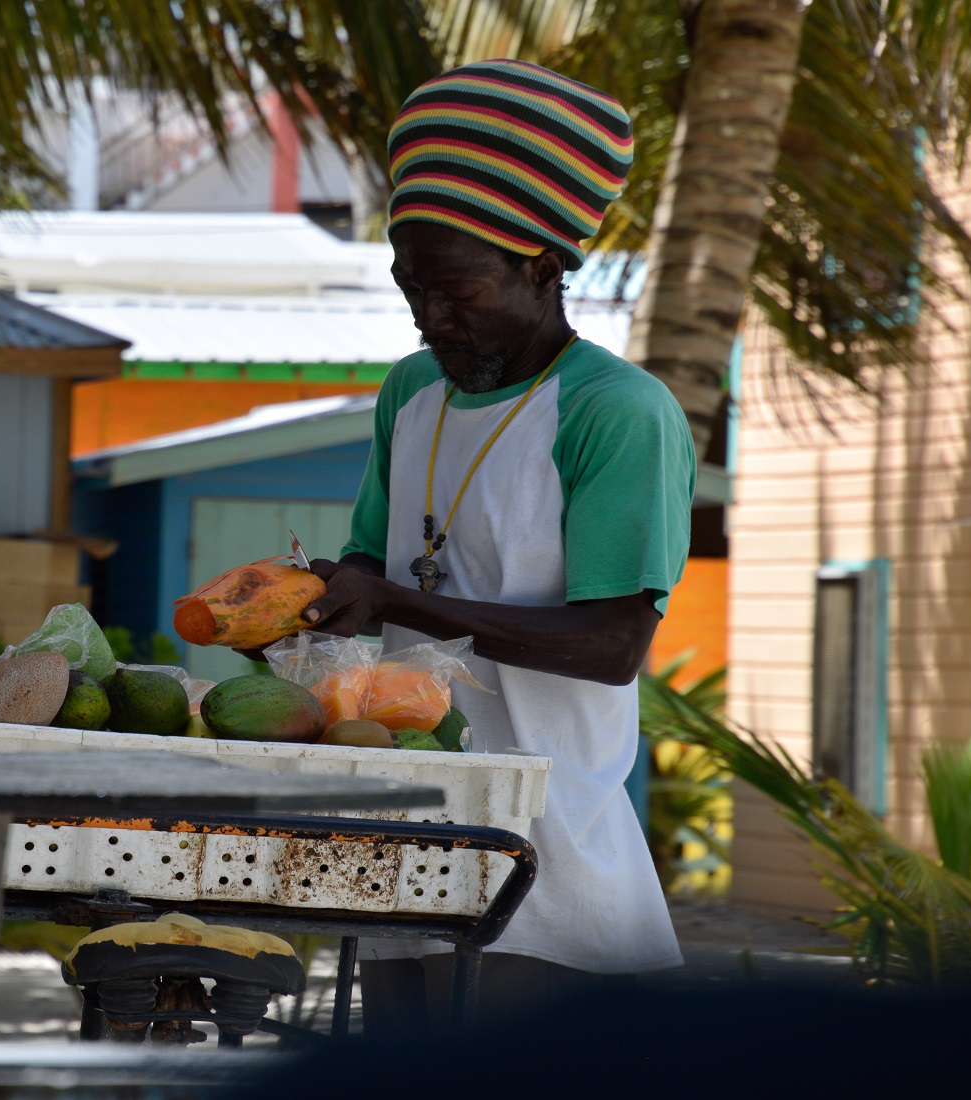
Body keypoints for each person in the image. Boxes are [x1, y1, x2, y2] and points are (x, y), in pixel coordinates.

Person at [288, 60, 694, 1022]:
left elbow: (610, 647)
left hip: (544, 857)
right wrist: (317, 597)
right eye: (409, 287)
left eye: (456, 290)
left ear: (544, 268)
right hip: (401, 837)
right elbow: (370, 570)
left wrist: (394, 602)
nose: (429, 316)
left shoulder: (615, 412)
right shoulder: (410, 394)